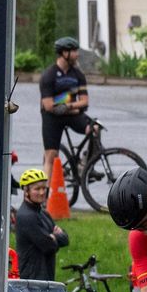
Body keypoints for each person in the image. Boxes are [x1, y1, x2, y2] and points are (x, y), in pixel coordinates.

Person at [38, 37, 92, 184]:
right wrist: (74, 106)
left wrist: (68, 107)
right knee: (51, 155)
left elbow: (85, 101)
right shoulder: (49, 75)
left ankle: (86, 164)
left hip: (70, 114)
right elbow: (49, 106)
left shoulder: (78, 74)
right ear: (64, 53)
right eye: (74, 51)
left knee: (94, 128)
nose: (77, 54)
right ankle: (45, 194)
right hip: (51, 118)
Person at [12, 167, 68, 282]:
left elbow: (65, 240)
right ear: (26, 191)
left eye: (44, 188)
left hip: (44, 278)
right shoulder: (26, 216)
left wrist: (54, 237)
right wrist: (55, 236)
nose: (42, 192)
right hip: (32, 281)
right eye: (37, 189)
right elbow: (48, 246)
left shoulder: (43, 213)